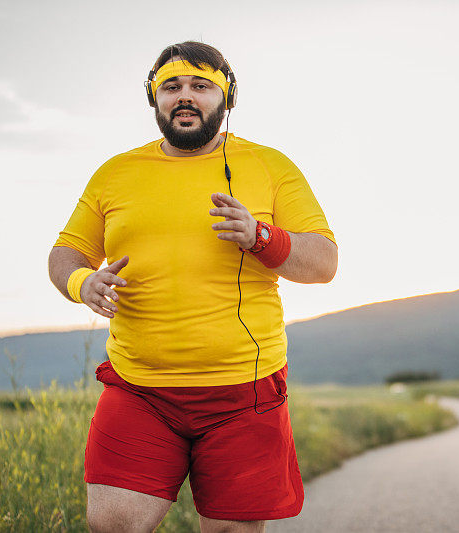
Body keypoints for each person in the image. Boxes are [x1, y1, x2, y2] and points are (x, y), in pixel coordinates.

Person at [47, 41, 337, 533]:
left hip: (245, 392)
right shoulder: (116, 173)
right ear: (153, 97)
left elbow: (324, 262)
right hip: (140, 389)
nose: (185, 96)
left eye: (201, 86)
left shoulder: (270, 166)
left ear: (227, 98)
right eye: (171, 87)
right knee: (112, 525)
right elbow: (65, 254)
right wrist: (82, 281)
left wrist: (261, 237)